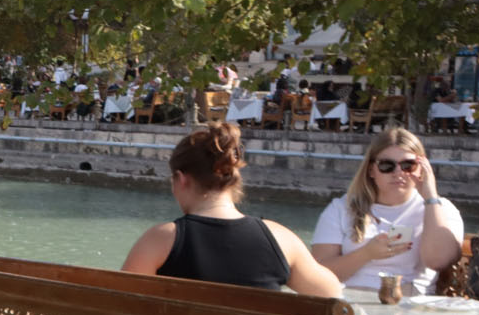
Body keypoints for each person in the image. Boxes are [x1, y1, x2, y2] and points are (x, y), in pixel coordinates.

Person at [122, 124, 340, 295]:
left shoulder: (161, 240)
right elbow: (330, 292)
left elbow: (117, 307)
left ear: (181, 179)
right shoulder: (281, 239)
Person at [312, 129, 464, 295]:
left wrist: (431, 197)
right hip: (351, 298)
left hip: (411, 299)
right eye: (387, 166)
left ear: (421, 168)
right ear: (371, 170)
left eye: (408, 165)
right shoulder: (341, 208)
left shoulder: (441, 209)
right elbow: (318, 273)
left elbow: (439, 261)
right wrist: (367, 253)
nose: (398, 172)